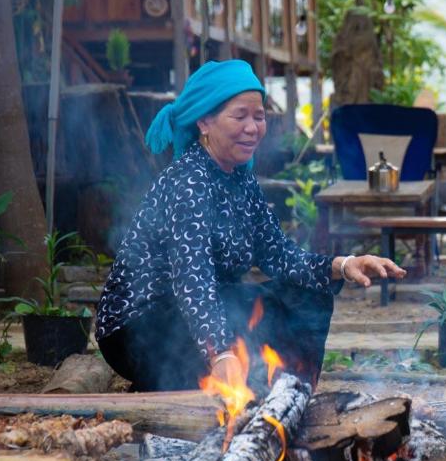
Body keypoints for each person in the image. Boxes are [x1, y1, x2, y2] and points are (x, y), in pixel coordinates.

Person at [96, 60, 404, 392]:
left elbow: (280, 255)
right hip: (140, 326)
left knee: (301, 298)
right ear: (204, 121)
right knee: (236, 316)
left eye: (259, 117)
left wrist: (345, 265)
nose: (253, 127)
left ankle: (288, 392)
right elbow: (193, 277)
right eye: (239, 116)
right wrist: (220, 352)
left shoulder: (241, 180)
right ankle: (187, 386)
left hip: (201, 313)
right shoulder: (190, 180)